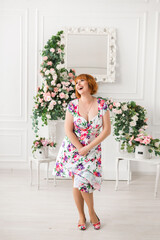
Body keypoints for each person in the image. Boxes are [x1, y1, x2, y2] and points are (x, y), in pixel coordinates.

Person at [52, 74, 111, 230]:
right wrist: (80, 148)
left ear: (90, 83)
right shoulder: (72, 105)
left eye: (81, 81)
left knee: (84, 181)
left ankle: (91, 213)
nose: (78, 84)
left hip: (92, 148)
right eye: (76, 82)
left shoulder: (102, 104)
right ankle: (83, 216)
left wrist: (88, 147)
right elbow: (68, 130)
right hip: (73, 148)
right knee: (78, 182)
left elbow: (106, 131)